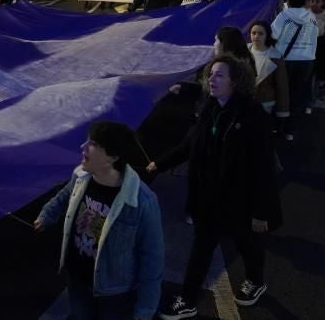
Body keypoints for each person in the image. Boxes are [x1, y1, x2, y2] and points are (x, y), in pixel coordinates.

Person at [150, 56, 282, 319]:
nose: (211, 79)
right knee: (201, 248)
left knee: (247, 243)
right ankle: (187, 300)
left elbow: (263, 168)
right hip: (207, 198)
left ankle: (256, 280)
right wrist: (158, 165)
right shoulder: (210, 108)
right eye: (210, 74)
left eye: (219, 75)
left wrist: (261, 212)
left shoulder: (253, 115)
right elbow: (189, 146)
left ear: (235, 81)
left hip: (239, 200)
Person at [35, 121, 164, 320]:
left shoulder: (142, 201)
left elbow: (152, 257)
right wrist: (47, 215)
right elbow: (64, 196)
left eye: (92, 144)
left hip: (113, 292)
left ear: (112, 157)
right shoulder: (80, 176)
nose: (83, 147)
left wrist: (145, 310)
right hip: (77, 278)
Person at [271, 0, 318, 141]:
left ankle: (277, 125)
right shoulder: (311, 17)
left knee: (281, 92)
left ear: (289, 0)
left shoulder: (284, 16)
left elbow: (272, 35)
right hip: (307, 60)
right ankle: (290, 129)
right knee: (298, 95)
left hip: (286, 60)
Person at [248, 20, 290, 119]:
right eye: (253, 33)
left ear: (267, 35)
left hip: (265, 102)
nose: (256, 36)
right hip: (246, 101)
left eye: (260, 33)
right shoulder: (244, 52)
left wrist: (282, 110)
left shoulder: (275, 56)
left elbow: (282, 86)